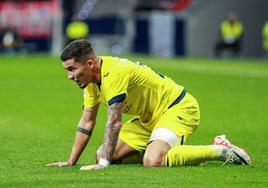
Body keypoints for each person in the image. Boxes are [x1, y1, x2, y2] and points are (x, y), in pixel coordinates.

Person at [47, 39, 252, 170]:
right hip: (149, 120)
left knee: (152, 161)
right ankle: (158, 145)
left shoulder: (114, 72)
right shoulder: (91, 83)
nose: (69, 76)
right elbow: (87, 121)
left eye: (72, 69)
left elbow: (115, 122)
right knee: (102, 152)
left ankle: (220, 150)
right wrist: (71, 161)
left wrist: (103, 165)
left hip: (177, 108)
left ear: (90, 63)